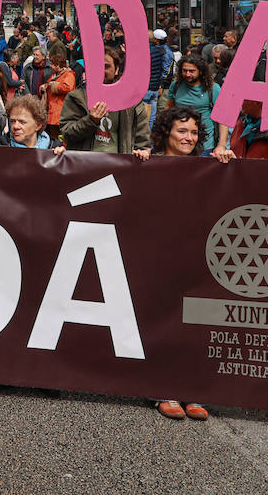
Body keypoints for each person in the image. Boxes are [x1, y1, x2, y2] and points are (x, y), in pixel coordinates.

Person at [147, 104, 211, 421]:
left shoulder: (207, 168)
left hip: (192, 256)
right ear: (166, 133)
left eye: (194, 132)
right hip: (155, 254)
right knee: (161, 320)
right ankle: (162, 388)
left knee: (192, 324)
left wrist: (229, 167)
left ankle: (190, 389)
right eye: (182, 130)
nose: (189, 137)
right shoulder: (146, 162)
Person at [60, 47, 151, 158]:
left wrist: (141, 153)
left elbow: (142, 141)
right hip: (85, 166)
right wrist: (90, 121)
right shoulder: (76, 98)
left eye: (106, 66)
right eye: (96, 66)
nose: (101, 71)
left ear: (116, 69)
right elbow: (67, 134)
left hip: (119, 167)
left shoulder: (132, 103)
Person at [160, 55, 225, 155]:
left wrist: (221, 145)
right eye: (184, 70)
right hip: (179, 143)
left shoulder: (213, 88)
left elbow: (222, 118)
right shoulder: (176, 85)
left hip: (205, 144)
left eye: (192, 71)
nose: (187, 74)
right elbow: (169, 109)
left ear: (200, 71)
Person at [40, 45, 76, 141]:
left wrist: (53, 85)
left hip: (61, 112)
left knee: (61, 139)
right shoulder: (55, 74)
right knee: (54, 137)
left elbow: (68, 87)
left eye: (52, 64)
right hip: (52, 112)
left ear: (58, 65)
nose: (51, 66)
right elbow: (49, 84)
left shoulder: (69, 74)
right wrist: (45, 86)